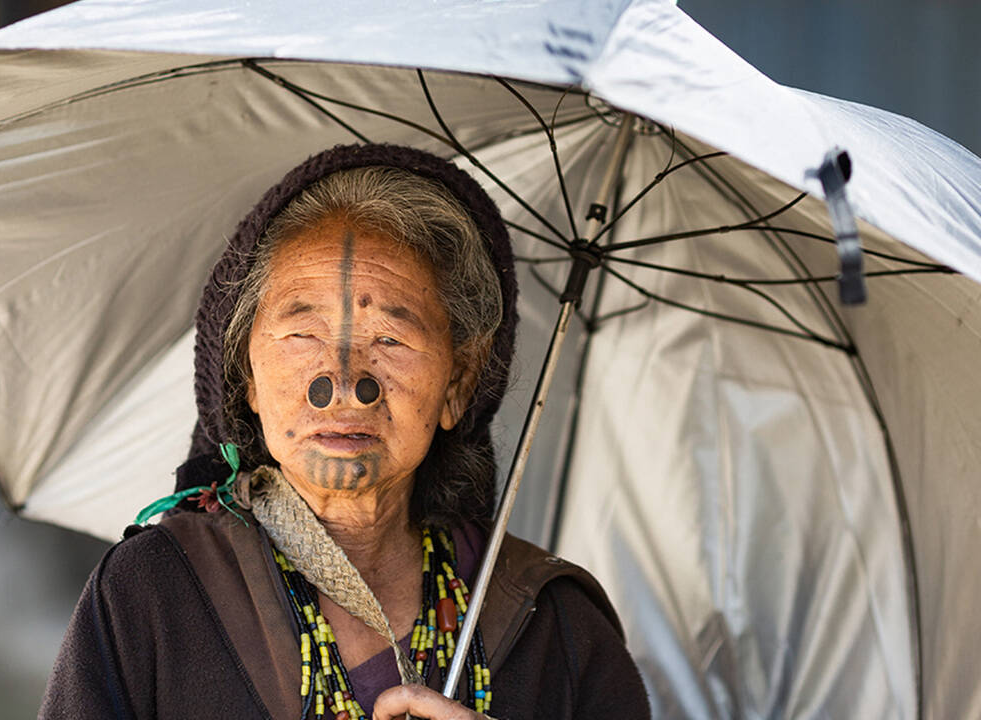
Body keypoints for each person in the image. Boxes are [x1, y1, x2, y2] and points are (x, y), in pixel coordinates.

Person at [38, 144, 650, 719]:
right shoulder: (155, 595)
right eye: (302, 334)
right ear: (246, 376)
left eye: (391, 339)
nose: (345, 382)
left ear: (459, 381)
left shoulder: (556, 625)